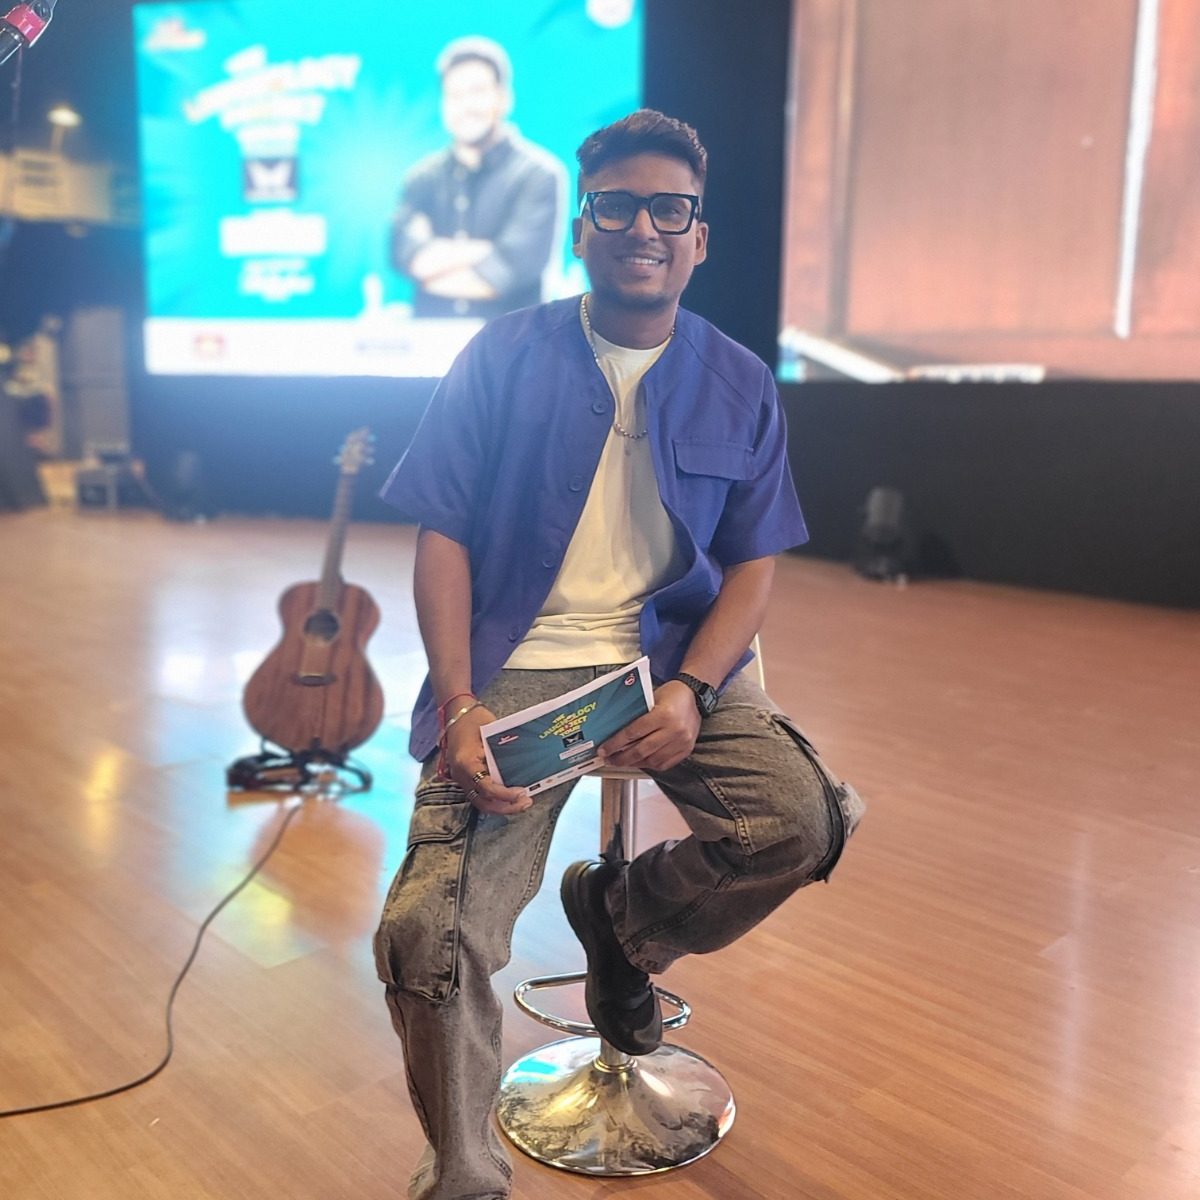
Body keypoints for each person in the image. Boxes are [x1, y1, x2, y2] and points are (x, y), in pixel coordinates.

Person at [376, 109, 865, 1200]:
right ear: (581, 229)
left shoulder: (742, 380)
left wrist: (693, 688)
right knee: (427, 933)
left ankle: (623, 921)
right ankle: (463, 1176)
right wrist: (458, 701)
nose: (644, 226)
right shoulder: (499, 357)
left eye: (670, 209)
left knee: (808, 822)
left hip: (676, 657)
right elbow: (442, 534)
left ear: (699, 237)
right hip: (519, 665)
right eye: (617, 206)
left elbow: (753, 564)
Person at [391, 36, 566, 319]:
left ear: (504, 98)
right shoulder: (420, 179)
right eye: (455, 95)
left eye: (477, 92)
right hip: (429, 344)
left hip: (512, 343)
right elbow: (405, 256)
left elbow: (507, 273)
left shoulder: (539, 175)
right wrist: (484, 251)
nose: (466, 106)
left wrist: (434, 265)